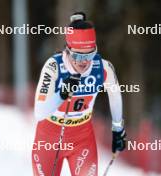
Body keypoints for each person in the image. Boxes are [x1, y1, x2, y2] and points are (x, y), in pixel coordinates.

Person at [32, 12, 126, 176]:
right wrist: (62, 94)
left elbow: (115, 94)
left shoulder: (102, 68)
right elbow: (39, 112)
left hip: (82, 137)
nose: (84, 61)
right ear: (67, 50)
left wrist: (118, 128)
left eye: (89, 54)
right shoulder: (53, 67)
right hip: (49, 137)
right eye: (77, 55)